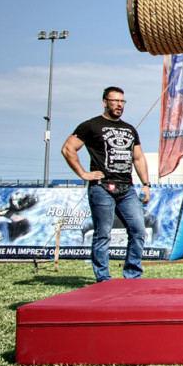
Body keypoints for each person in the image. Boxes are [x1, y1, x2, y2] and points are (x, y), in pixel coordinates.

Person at [61, 86, 150, 282]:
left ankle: (132, 275)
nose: (119, 105)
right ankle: (103, 279)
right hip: (102, 188)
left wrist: (146, 184)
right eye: (115, 101)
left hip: (127, 189)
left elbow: (138, 158)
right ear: (105, 102)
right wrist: (83, 174)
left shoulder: (129, 129)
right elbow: (68, 149)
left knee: (138, 230)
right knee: (103, 234)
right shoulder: (91, 126)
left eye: (122, 102)